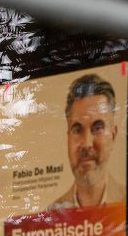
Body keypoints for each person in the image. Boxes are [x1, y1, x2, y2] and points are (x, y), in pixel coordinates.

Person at [50, 73, 124, 209]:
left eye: (97, 128)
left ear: (113, 135)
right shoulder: (51, 216)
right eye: (77, 130)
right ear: (68, 138)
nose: (87, 144)